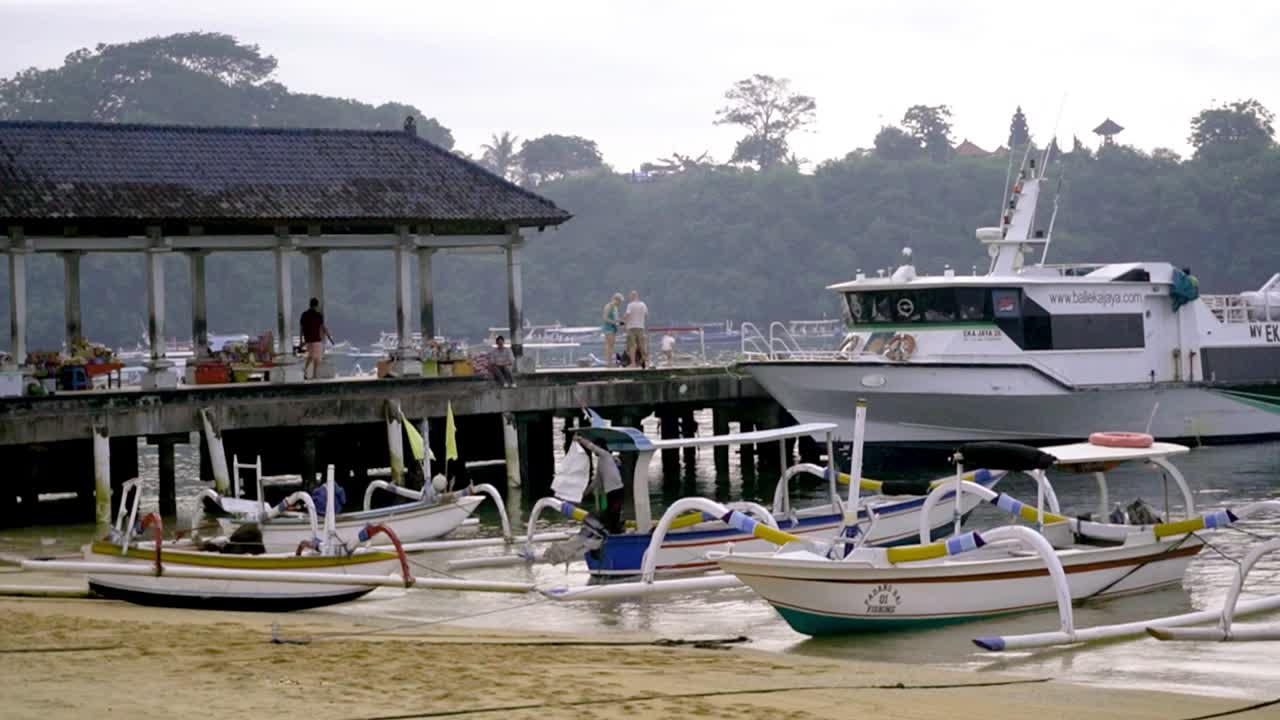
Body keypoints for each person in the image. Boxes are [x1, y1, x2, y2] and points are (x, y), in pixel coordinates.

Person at [575, 435, 625, 534]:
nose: (594, 452)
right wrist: (584, 494)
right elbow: (596, 482)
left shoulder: (605, 455)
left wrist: (580, 439)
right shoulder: (602, 462)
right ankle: (613, 532)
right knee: (609, 515)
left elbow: (592, 447)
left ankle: (617, 534)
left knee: (613, 515)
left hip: (617, 490)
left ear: (600, 447)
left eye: (597, 447)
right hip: (611, 492)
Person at [299, 298, 333, 380]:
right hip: (316, 339)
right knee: (316, 359)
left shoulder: (304, 314)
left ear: (310, 304)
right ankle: (314, 375)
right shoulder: (318, 315)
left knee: (310, 356)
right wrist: (329, 338)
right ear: (316, 305)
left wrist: (301, 340)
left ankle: (305, 371)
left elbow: (301, 328)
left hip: (308, 339)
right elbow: (323, 328)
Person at [623, 290, 649, 368]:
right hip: (641, 327)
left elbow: (627, 315)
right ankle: (645, 362)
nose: (629, 297)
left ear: (633, 296)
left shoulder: (630, 305)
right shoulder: (643, 304)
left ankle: (633, 363)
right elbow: (646, 314)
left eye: (630, 296)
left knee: (632, 346)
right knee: (642, 346)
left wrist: (623, 320)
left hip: (631, 328)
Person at [601, 293, 623, 367]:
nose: (619, 304)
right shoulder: (608, 306)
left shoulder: (615, 308)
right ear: (616, 300)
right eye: (619, 302)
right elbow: (605, 318)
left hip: (613, 328)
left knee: (611, 345)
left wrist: (621, 322)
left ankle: (610, 361)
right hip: (608, 328)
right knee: (609, 345)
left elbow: (616, 318)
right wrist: (614, 322)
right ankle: (609, 362)